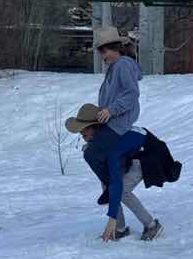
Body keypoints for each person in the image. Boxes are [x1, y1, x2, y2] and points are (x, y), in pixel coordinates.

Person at [65, 103, 182, 243]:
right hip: (133, 154)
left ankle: (152, 226)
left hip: (151, 155)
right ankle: (119, 229)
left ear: (96, 127)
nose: (81, 133)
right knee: (107, 184)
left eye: (84, 129)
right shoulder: (104, 138)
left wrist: (112, 216)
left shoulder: (113, 146)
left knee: (122, 190)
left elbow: (116, 180)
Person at [82, 26, 143, 192]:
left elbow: (131, 94)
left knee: (91, 154)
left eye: (103, 52)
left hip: (118, 122)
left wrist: (111, 110)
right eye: (100, 52)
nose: (102, 56)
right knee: (90, 150)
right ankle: (114, 183)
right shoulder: (115, 67)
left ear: (114, 49)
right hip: (111, 121)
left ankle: (113, 187)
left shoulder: (123, 65)